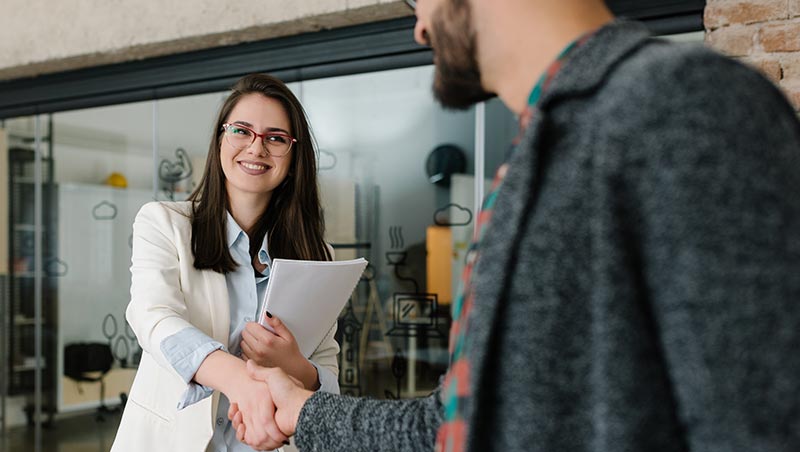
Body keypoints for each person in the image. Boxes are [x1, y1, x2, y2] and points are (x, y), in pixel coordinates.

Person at [232, 0, 800, 451]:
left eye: (416, 1)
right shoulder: (538, 153)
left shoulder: (686, 105)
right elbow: (458, 427)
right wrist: (303, 409)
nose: (420, 28)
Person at [111, 73, 340, 452]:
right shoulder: (164, 223)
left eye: (276, 138)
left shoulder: (317, 255)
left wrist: (295, 365)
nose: (256, 147)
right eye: (241, 131)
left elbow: (327, 373)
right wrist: (240, 381)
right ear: (220, 139)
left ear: (293, 157)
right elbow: (153, 317)